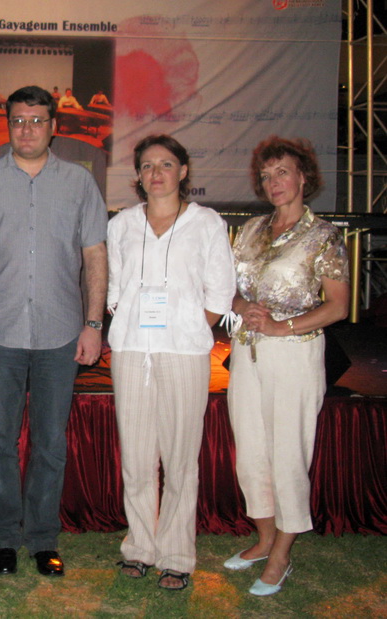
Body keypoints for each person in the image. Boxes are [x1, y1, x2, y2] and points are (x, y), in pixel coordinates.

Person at [0, 85, 108, 577]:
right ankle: (3, 537)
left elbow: (94, 256)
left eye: (37, 120)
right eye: (19, 120)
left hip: (60, 334)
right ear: (8, 123)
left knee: (50, 442)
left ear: (54, 126)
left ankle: (42, 537)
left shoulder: (79, 183)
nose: (27, 129)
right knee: (0, 441)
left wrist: (93, 323)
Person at [107, 135, 235, 591]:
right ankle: (140, 546)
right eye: (146, 165)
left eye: (166, 164)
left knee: (181, 460)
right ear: (138, 176)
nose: (156, 172)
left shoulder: (206, 223)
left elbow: (220, 292)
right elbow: (114, 289)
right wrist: (134, 324)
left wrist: (184, 326)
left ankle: (177, 554)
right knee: (138, 460)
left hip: (184, 353)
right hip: (130, 352)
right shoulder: (122, 223)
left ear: (183, 171)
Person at [224, 136, 349, 596]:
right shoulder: (253, 230)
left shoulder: (324, 235)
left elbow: (337, 306)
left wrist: (283, 327)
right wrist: (243, 305)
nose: (273, 182)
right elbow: (228, 289)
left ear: (302, 178)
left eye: (282, 172)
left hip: (295, 354)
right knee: (251, 450)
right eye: (266, 175)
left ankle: (282, 554)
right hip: (246, 350)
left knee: (289, 454)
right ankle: (262, 539)